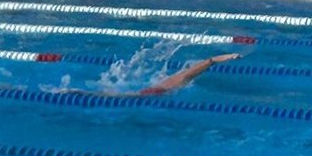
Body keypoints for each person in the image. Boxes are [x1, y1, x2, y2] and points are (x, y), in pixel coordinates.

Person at [57, 51, 243, 97]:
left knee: (110, 95)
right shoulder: (180, 80)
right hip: (148, 94)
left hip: (150, 91)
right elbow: (207, 62)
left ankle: (74, 92)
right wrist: (223, 58)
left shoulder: (175, 79)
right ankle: (73, 92)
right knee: (113, 97)